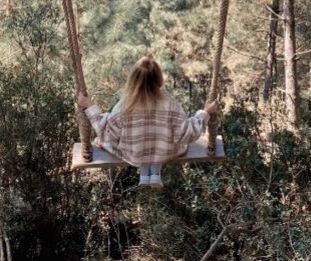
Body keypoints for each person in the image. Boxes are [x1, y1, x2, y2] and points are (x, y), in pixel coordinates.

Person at [77, 56, 218, 187]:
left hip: (134, 153)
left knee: (105, 140)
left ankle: (144, 174)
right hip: (165, 153)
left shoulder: (126, 104)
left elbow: (106, 132)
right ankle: (155, 172)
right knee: (158, 142)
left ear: (133, 80)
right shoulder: (169, 102)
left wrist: (89, 106)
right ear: (158, 79)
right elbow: (187, 133)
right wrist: (204, 113)